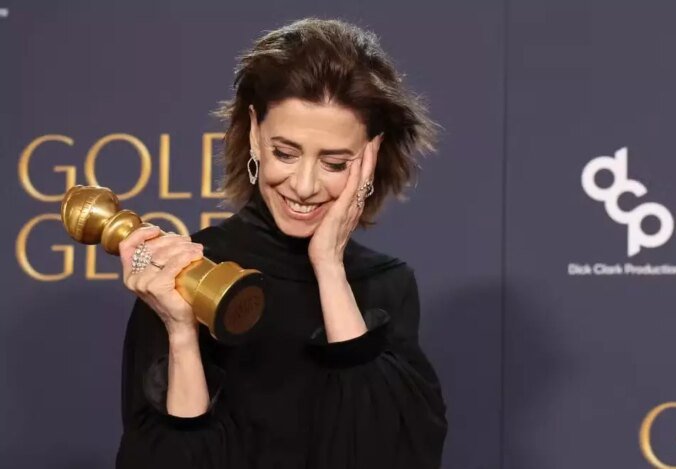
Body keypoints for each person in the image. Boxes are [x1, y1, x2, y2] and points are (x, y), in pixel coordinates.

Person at [115, 17, 448, 469]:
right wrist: (182, 333)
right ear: (255, 133)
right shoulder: (188, 271)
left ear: (370, 156)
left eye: (335, 163)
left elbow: (387, 454)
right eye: (285, 153)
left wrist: (329, 267)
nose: (304, 186)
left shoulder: (387, 285)